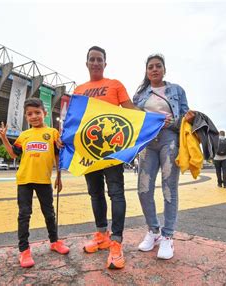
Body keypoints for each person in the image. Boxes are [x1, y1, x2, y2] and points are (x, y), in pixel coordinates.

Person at [73, 46, 136, 269]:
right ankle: (102, 235)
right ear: (87, 63)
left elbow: (131, 111)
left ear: (105, 64)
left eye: (100, 59)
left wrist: (154, 120)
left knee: (116, 193)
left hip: (112, 150)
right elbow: (73, 119)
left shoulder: (115, 84)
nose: (96, 63)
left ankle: (116, 241)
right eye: (92, 59)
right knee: (95, 193)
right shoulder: (79, 89)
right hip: (89, 150)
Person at [0, 98, 69, 268]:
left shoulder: (52, 133)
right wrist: (4, 138)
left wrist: (59, 177)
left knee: (49, 213)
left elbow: (58, 156)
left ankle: (54, 241)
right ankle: (24, 250)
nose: (34, 116)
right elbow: (14, 155)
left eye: (37, 113)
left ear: (44, 113)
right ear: (26, 116)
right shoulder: (24, 135)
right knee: (24, 214)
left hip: (44, 180)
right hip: (24, 180)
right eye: (30, 114)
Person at [133, 54, 189, 260]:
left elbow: (186, 117)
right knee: (143, 189)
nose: (154, 69)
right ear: (146, 71)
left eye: (158, 66)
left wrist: (172, 123)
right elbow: (133, 121)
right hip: (148, 142)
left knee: (169, 188)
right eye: (150, 67)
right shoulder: (140, 96)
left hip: (169, 140)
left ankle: (168, 236)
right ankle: (153, 231)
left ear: (164, 69)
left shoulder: (176, 90)